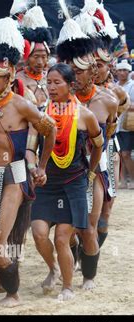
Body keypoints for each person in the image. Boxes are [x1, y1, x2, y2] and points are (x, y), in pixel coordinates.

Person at [0, 17, 56, 308]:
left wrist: (41, 165)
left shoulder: (20, 104)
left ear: (8, 77)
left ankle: (13, 293)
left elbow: (50, 128)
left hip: (14, 178)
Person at [30, 63, 102, 300]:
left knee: (63, 237)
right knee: (39, 233)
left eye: (57, 82)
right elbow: (30, 148)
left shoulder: (86, 116)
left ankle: (69, 286)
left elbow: (98, 146)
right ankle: (54, 269)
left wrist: (90, 174)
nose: (51, 87)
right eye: (48, 82)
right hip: (47, 183)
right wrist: (34, 167)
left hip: (73, 182)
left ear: (71, 85)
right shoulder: (41, 113)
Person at [57, 3, 117, 290]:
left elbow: (110, 130)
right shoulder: (56, 101)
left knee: (88, 226)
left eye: (79, 73)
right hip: (63, 170)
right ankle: (70, 262)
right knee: (64, 231)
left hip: (92, 170)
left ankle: (89, 277)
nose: (75, 78)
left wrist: (97, 167)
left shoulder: (108, 100)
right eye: (71, 73)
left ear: (92, 72)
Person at [91, 3, 131, 250]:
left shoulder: (116, 91)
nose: (95, 70)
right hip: (83, 153)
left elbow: (123, 110)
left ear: (109, 67)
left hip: (109, 150)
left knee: (107, 205)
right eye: (91, 65)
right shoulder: (77, 91)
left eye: (100, 65)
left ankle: (94, 247)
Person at [16, 4, 52, 108]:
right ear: (27, 57)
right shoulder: (18, 79)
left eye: (43, 57)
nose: (40, 62)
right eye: (36, 57)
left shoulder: (52, 77)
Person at [115, 60, 134, 188]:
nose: (122, 73)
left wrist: (122, 105)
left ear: (129, 72)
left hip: (128, 125)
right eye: (120, 70)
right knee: (120, 154)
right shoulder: (114, 86)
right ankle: (122, 180)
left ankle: (132, 179)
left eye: (124, 70)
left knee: (126, 154)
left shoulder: (132, 86)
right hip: (116, 124)